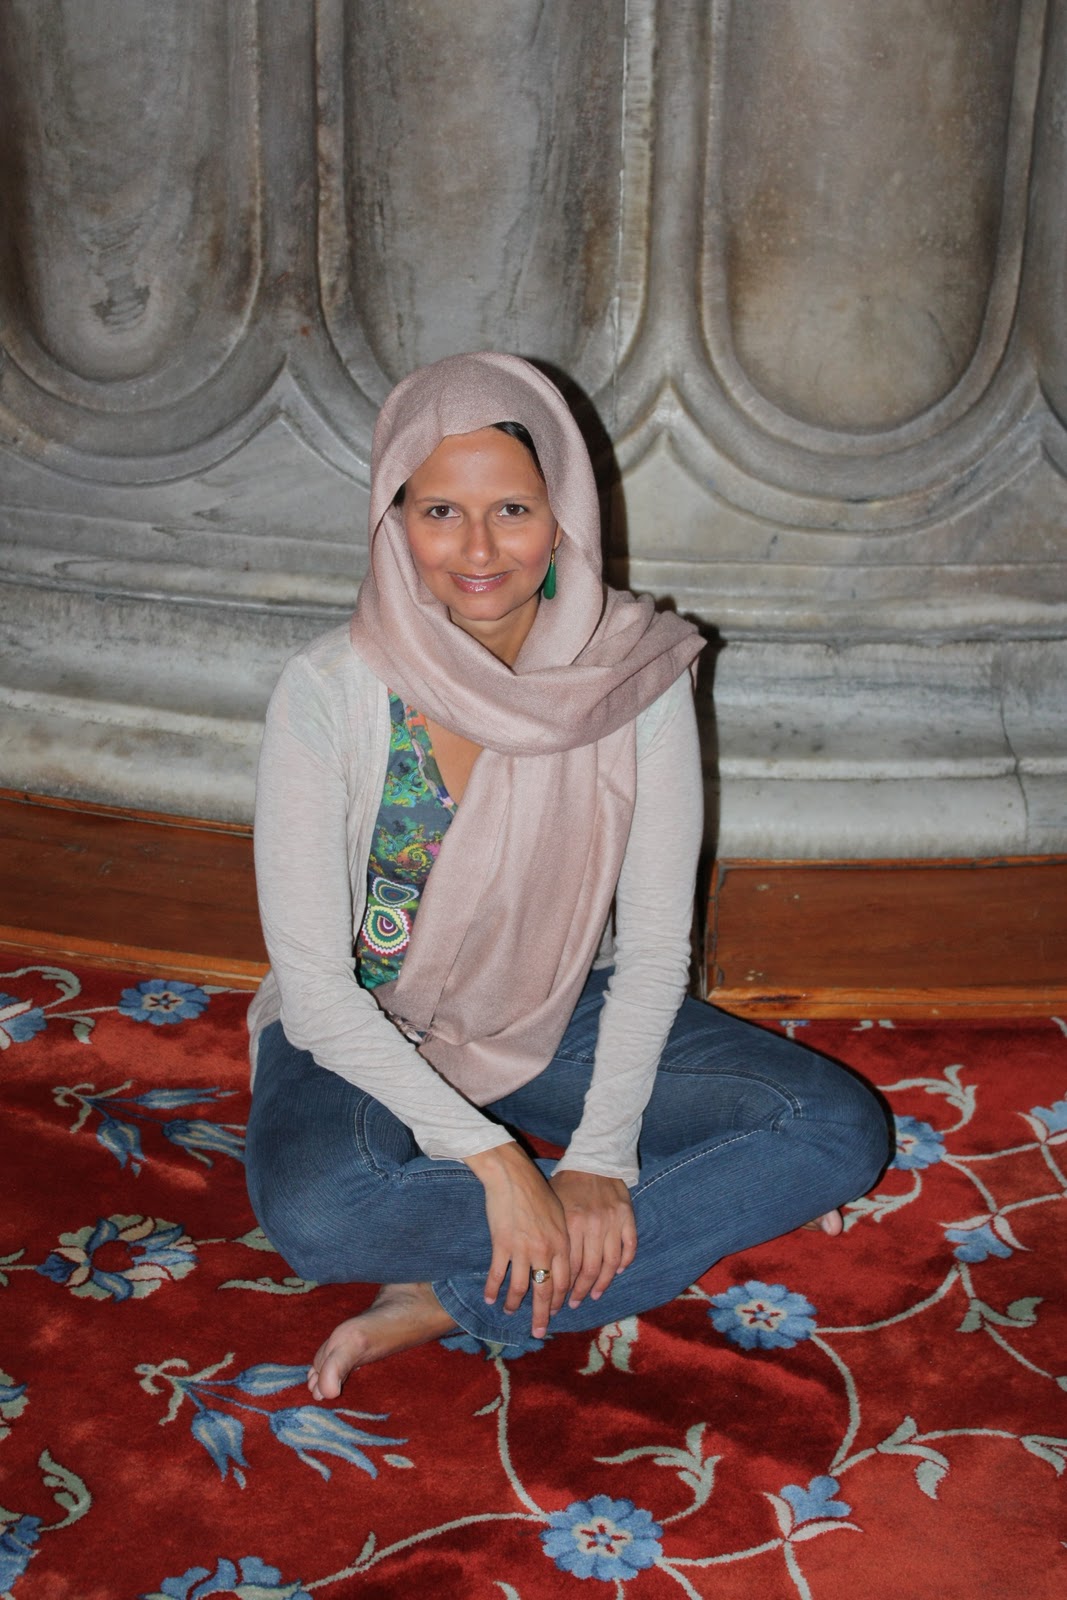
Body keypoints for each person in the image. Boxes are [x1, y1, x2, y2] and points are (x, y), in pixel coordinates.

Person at [244, 352, 889, 1404]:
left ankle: (459, 1293)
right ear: (393, 519)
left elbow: (655, 947)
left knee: (834, 1128)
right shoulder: (330, 689)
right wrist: (501, 1167)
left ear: (564, 518)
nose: (479, 549)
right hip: (366, 1024)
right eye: (440, 511)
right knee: (321, 1214)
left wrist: (599, 1160)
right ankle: (551, 1235)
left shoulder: (631, 674)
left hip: (549, 1006)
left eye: (512, 508)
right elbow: (317, 991)